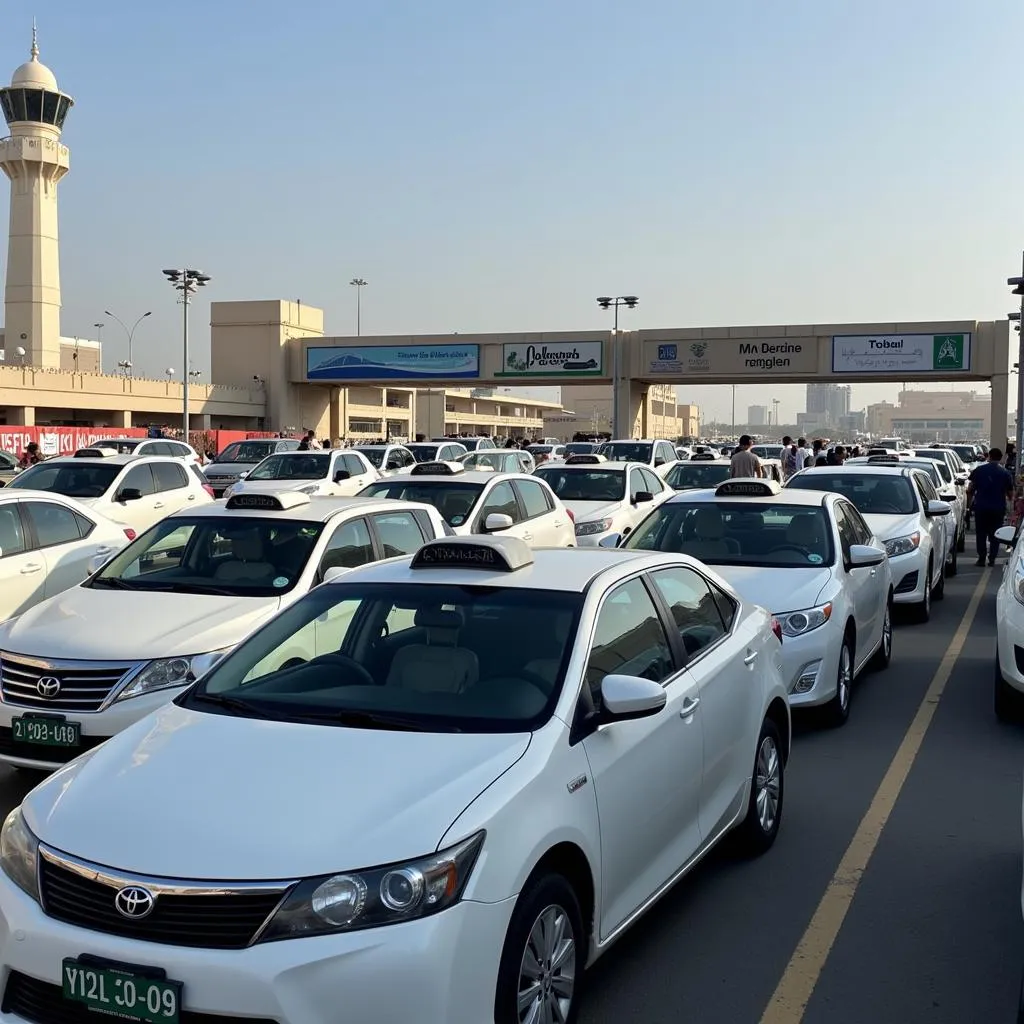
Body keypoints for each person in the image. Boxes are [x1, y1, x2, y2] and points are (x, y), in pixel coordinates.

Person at [968, 447, 1014, 566]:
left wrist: (968, 506)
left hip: (981, 508)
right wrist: (1011, 509)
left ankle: (981, 558)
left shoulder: (979, 470)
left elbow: (970, 489)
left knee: (981, 533)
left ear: (989, 456)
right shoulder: (1005, 473)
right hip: (998, 508)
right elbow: (1010, 494)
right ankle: (992, 558)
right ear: (1000, 458)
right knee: (996, 534)